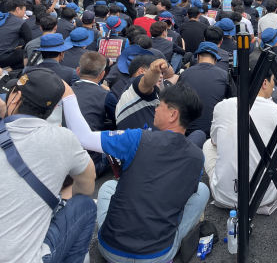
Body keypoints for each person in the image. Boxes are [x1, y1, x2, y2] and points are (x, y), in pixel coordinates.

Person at [0, 69, 97, 263]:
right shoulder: (64, 139)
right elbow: (87, 185)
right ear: (53, 108)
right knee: (85, 205)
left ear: (15, 98)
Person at [62, 79, 208, 263]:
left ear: (173, 115)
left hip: (111, 250)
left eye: (159, 105)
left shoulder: (137, 137)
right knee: (202, 190)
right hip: (158, 255)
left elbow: (83, 137)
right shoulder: (197, 156)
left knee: (107, 186)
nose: (155, 109)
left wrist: (68, 96)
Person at [202, 60, 277, 210]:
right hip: (263, 197)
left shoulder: (222, 106)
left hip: (224, 197)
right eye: (273, 81)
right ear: (264, 82)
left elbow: (214, 142)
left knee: (207, 144)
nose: (274, 86)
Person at [71, 51, 117, 176]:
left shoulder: (64, 92)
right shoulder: (106, 95)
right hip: (90, 163)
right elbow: (118, 120)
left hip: (62, 159)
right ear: (102, 74)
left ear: (78, 71)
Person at [179, 42, 233, 139]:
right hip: (214, 133)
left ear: (198, 56)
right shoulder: (225, 75)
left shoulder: (185, 74)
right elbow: (233, 102)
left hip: (187, 132)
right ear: (215, 59)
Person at [115, 57, 176, 131]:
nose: (161, 76)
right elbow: (147, 82)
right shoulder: (136, 84)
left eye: (161, 73)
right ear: (141, 71)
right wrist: (154, 72)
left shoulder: (129, 91)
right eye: (158, 72)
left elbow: (174, 76)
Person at [0, 0, 32, 70]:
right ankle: (9, 70)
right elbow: (30, 42)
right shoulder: (21, 22)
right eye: (24, 10)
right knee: (30, 52)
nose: (24, 13)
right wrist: (22, 47)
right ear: (17, 9)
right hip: (1, 59)